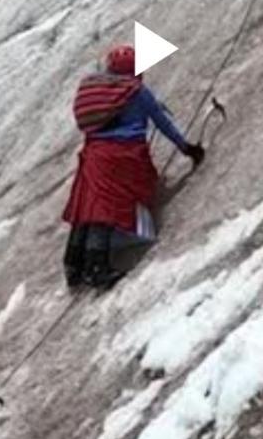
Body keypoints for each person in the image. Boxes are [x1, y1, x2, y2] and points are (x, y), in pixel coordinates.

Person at [63, 44, 204, 289]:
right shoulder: (136, 92)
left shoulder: (100, 89)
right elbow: (163, 124)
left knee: (86, 208)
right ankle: (97, 269)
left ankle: (73, 267)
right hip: (123, 155)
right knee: (107, 210)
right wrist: (187, 148)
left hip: (93, 152)